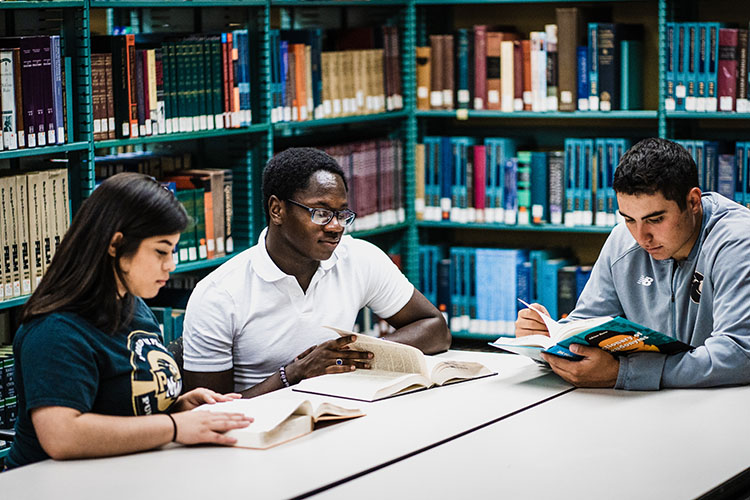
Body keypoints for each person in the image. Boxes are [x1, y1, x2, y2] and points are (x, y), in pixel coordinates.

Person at [7, 173, 252, 469]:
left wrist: (177, 405)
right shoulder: (55, 330)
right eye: (160, 251)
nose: (170, 265)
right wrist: (174, 426)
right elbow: (62, 435)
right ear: (116, 245)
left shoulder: (132, 304)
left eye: (172, 251)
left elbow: (118, 401)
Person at [182, 147, 451, 397]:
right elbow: (208, 413)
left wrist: (358, 353)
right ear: (277, 210)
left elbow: (436, 329)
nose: (335, 227)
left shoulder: (358, 258)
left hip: (341, 413)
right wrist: (294, 374)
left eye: (341, 213)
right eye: (321, 212)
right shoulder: (219, 294)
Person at [515, 137, 750, 390]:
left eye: (656, 219)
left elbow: (738, 354)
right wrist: (545, 337)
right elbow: (586, 324)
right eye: (629, 219)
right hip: (648, 406)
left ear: (693, 203)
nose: (641, 237)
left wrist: (625, 373)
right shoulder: (622, 239)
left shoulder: (738, 241)